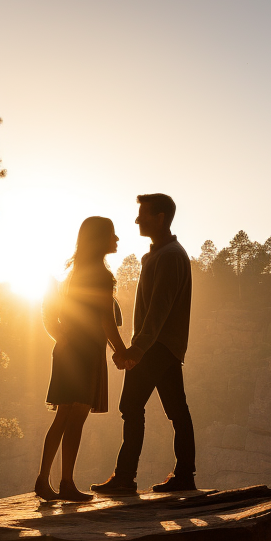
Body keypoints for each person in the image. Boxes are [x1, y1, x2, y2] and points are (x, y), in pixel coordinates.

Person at [93, 193, 196, 495]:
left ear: (160, 217)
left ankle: (126, 478)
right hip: (164, 347)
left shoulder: (170, 256)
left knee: (131, 407)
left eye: (144, 214)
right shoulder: (162, 254)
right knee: (177, 410)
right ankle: (185, 476)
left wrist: (134, 351)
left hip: (155, 347)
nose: (138, 220)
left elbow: (158, 312)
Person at [35, 216, 132, 502]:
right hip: (86, 352)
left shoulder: (75, 273)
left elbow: (54, 312)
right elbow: (105, 319)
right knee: (75, 418)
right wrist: (122, 351)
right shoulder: (100, 275)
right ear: (100, 239)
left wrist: (63, 338)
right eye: (112, 235)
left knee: (64, 416)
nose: (116, 240)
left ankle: (44, 481)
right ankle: (65, 484)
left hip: (68, 350)